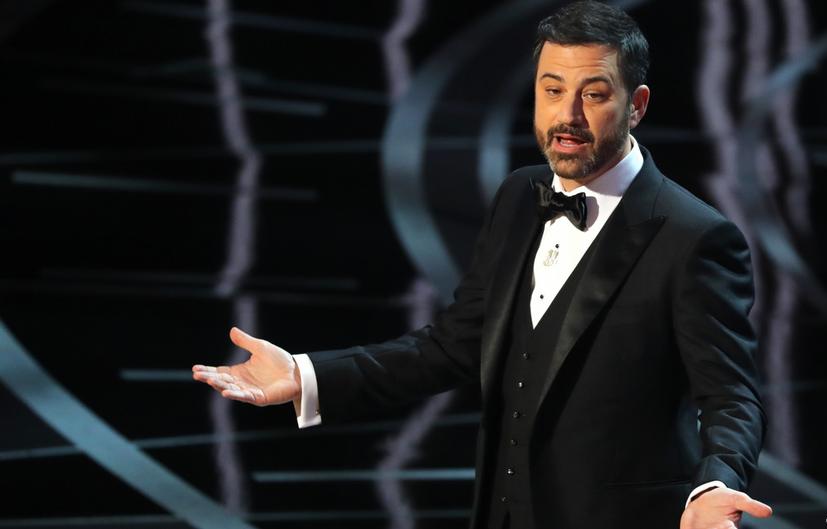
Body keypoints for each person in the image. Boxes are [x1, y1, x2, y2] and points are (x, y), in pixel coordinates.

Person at [193, 2, 772, 528]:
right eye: (552, 90)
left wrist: (716, 484)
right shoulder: (519, 195)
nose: (568, 114)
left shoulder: (695, 237)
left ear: (636, 106)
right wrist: (308, 375)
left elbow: (731, 396)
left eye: (594, 95)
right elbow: (456, 344)